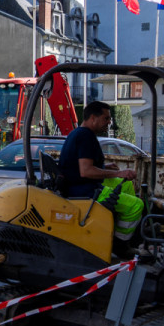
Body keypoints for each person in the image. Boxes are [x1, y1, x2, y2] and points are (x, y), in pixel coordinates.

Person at [58, 101, 143, 243]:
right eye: (106, 118)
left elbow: (79, 166)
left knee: (127, 185)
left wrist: (104, 167)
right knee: (137, 206)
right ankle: (118, 242)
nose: (109, 122)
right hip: (86, 191)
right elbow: (86, 171)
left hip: (79, 184)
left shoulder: (77, 133)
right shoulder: (86, 137)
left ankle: (115, 220)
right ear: (93, 118)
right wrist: (118, 173)